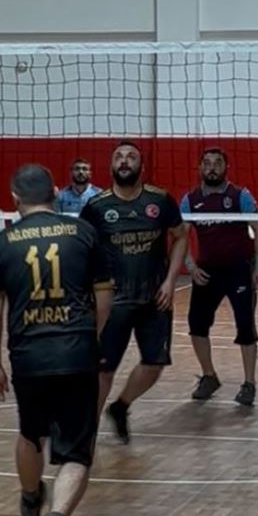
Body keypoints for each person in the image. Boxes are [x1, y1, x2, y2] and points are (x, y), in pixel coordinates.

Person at [0, 163, 113, 516]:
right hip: (76, 353)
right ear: (55, 193)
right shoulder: (84, 233)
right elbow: (104, 297)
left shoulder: (2, 243)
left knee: (30, 433)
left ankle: (29, 500)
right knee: (77, 449)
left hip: (28, 356)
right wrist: (90, 338)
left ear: (14, 198)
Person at [83, 143, 187, 443]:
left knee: (155, 364)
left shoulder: (160, 200)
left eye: (131, 157)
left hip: (155, 298)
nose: (124, 161)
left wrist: (171, 280)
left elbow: (181, 236)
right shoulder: (97, 207)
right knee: (103, 370)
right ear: (111, 166)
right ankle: (86, 433)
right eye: (119, 157)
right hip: (112, 300)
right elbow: (82, 249)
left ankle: (120, 406)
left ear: (141, 165)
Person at [181, 148, 258, 407]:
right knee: (196, 325)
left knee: (245, 326)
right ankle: (209, 376)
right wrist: (190, 266)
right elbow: (180, 235)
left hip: (239, 269)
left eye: (217, 163)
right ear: (200, 168)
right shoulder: (190, 199)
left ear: (226, 167)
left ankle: (249, 383)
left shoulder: (240, 196)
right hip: (207, 271)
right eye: (207, 163)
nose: (212, 168)